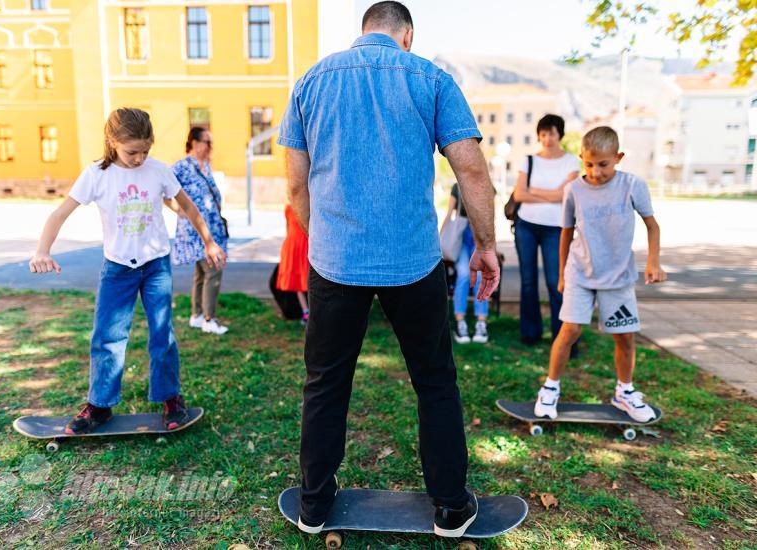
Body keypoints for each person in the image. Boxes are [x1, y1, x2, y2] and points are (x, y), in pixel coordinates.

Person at [278, 1, 499, 538]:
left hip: (335, 263)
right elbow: (470, 168)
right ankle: (450, 506)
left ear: (363, 33)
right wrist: (486, 245)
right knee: (436, 383)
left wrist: (320, 237)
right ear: (407, 36)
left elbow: (294, 185)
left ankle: (313, 505)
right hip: (413, 262)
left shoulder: (311, 81)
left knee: (325, 386)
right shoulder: (431, 78)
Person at [29, 108, 225, 434]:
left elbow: (188, 206)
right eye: (132, 151)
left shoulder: (158, 171)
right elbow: (61, 213)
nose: (139, 158)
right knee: (107, 336)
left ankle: (170, 398)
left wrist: (210, 242)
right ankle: (100, 405)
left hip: (156, 266)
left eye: (145, 151)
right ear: (113, 141)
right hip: (118, 268)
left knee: (162, 334)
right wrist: (42, 251)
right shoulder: (97, 175)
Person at [534, 126, 666, 422]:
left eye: (603, 164)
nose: (595, 172)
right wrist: (562, 274)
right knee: (569, 331)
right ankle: (550, 388)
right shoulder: (574, 190)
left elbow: (652, 226)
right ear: (582, 158)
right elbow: (566, 232)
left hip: (618, 276)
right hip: (580, 273)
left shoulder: (632, 185)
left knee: (625, 337)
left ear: (617, 157)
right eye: (589, 164)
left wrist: (653, 263)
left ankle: (625, 392)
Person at [512, 115, 579, 352]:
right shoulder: (528, 160)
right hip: (526, 225)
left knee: (556, 282)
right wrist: (552, 192)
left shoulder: (572, 161)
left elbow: (567, 195)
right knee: (528, 282)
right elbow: (519, 195)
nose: (547, 139)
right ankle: (530, 333)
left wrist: (535, 190)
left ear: (560, 134)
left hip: (557, 229)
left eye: (551, 133)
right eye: (542, 134)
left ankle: (563, 338)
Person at [171, 127, 229, 336]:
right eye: (207, 142)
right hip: (196, 229)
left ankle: (196, 315)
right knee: (214, 267)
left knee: (201, 272)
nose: (210, 147)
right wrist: (178, 210)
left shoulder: (206, 166)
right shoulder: (181, 166)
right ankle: (209, 318)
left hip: (212, 225)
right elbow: (164, 191)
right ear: (194, 143)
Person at [442, 183, 488, 344]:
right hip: (460, 234)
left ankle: (481, 322)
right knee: (463, 274)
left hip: (480, 234)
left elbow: (491, 215)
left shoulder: (486, 185)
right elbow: (449, 213)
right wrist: (441, 240)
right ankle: (460, 321)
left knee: (481, 276)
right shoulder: (457, 186)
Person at [277, 203, 310, 325]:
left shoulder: (290, 208)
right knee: (299, 279)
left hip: (297, 246)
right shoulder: (291, 208)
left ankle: (307, 311)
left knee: (301, 279)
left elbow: (288, 229)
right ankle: (306, 311)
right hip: (298, 246)